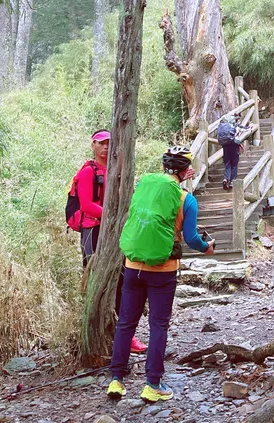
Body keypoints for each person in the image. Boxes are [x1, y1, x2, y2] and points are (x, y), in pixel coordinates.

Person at [107, 145, 216, 403]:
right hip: (163, 271)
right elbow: (190, 238)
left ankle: (116, 380)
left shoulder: (145, 188)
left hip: (133, 266)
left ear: (164, 166)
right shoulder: (185, 199)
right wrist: (206, 248)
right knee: (158, 325)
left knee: (126, 323)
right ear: (186, 170)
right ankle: (152, 384)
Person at [73, 130, 147, 354]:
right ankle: (94, 336)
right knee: (95, 282)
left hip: (116, 231)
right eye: (101, 143)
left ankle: (125, 335)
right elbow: (86, 205)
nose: (106, 147)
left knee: (123, 282)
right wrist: (112, 218)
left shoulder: (117, 171)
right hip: (93, 232)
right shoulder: (88, 172)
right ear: (93, 145)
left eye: (109, 143)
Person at [220, 113, 243, 191]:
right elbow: (238, 134)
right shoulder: (235, 125)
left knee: (227, 164)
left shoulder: (224, 123)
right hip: (234, 146)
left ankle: (226, 179)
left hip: (225, 146)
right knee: (234, 164)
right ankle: (233, 181)